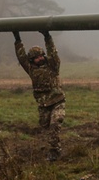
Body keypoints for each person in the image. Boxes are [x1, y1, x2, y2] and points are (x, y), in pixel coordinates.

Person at [14, 30, 66, 161]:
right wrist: (17, 39)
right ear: (32, 60)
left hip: (57, 101)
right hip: (43, 105)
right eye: (37, 57)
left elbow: (53, 53)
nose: (40, 58)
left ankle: (54, 152)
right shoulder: (31, 69)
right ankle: (53, 146)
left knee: (55, 123)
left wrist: (47, 37)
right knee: (45, 127)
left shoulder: (53, 66)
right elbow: (21, 57)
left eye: (41, 56)